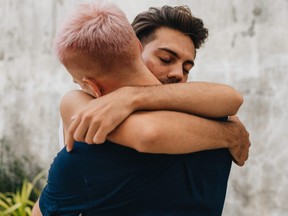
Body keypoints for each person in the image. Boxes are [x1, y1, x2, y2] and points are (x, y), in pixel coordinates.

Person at [33, 2, 250, 215]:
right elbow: (148, 132)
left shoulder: (206, 106)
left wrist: (132, 96)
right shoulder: (81, 106)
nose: (178, 74)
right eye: (165, 59)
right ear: (137, 48)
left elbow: (232, 98)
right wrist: (228, 133)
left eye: (187, 67)